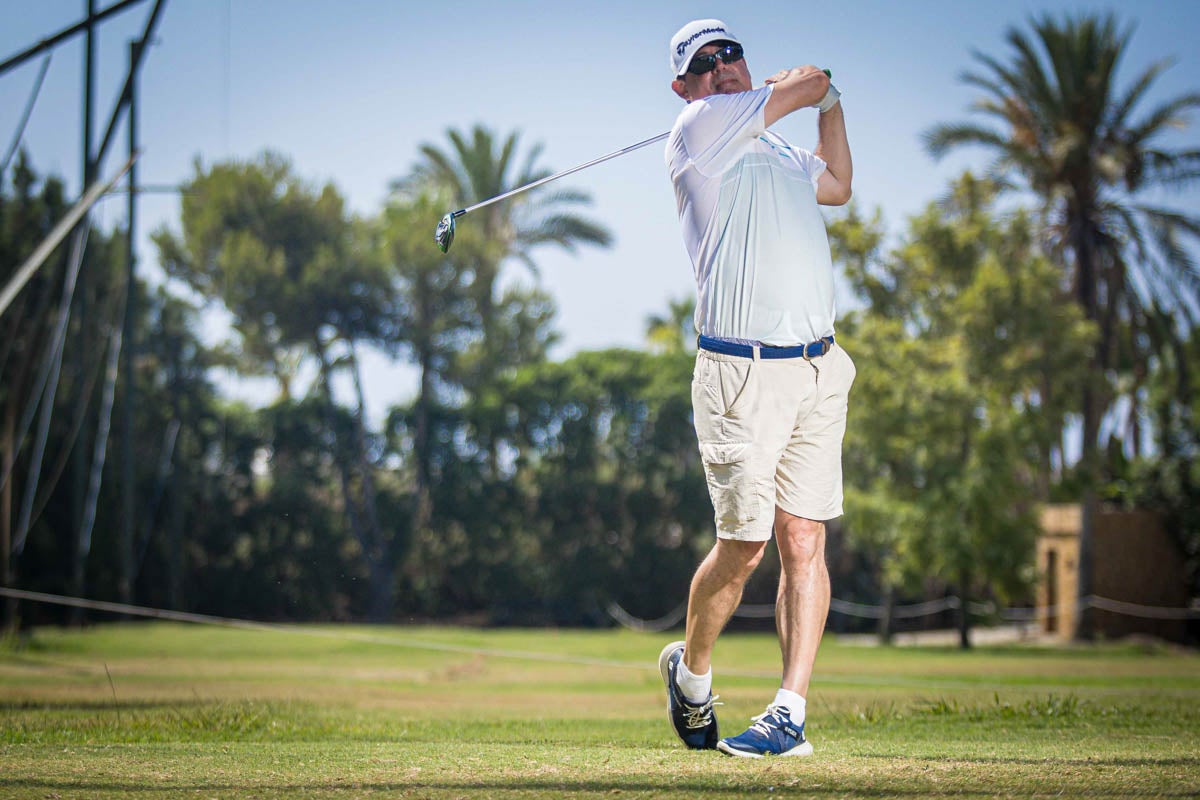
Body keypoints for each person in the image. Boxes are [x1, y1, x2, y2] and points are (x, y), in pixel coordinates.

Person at [657, 18, 854, 759]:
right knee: (743, 546)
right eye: (704, 63)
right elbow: (811, 81)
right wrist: (815, 85)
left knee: (804, 537)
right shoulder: (698, 127)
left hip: (818, 367)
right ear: (684, 87)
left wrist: (829, 105)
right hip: (739, 372)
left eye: (730, 54)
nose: (722, 67)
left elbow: (837, 184)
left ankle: (789, 714)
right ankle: (693, 675)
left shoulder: (777, 149)